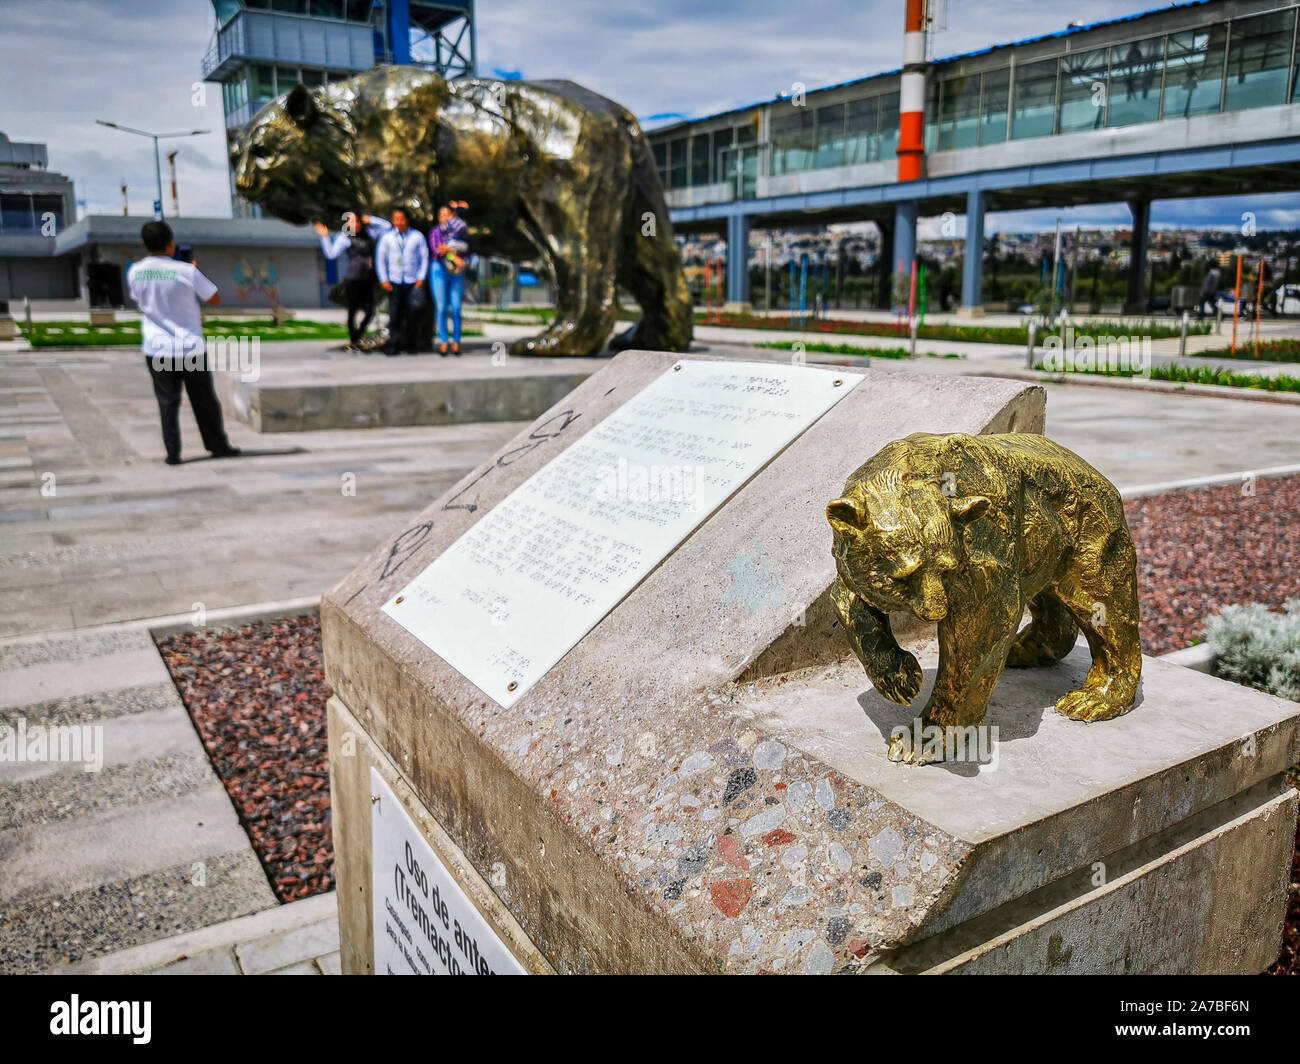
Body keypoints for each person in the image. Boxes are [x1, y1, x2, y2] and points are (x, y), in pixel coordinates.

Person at [127, 221, 240, 466]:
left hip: (157, 348)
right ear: (171, 244)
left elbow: (138, 299)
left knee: (167, 402)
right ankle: (217, 445)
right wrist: (195, 272)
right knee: (205, 401)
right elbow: (215, 297)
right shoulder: (186, 271)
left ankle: (173, 453)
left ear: (144, 244)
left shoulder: (135, 271)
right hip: (190, 348)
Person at [314, 211, 391, 350]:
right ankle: (354, 340)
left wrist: (371, 219)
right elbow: (331, 254)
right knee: (352, 311)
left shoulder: (370, 234)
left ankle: (358, 334)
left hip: (368, 278)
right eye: (350, 222)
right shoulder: (344, 237)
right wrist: (325, 237)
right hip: (353, 278)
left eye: (356, 221)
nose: (354, 225)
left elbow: (387, 226)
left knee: (370, 311)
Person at [375, 207, 428, 355]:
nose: (399, 222)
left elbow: (424, 258)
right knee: (395, 314)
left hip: (412, 281)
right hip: (394, 281)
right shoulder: (387, 237)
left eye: (401, 219)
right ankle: (394, 344)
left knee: (412, 314)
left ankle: (411, 345)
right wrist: (383, 279)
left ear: (407, 220)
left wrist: (421, 277)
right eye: (396, 219)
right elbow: (380, 259)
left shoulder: (417, 236)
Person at [429, 201, 471, 356]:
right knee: (441, 307)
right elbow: (438, 250)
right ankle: (444, 341)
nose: (444, 218)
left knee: (456, 307)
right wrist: (454, 255)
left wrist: (460, 260)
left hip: (457, 272)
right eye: (442, 215)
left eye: (447, 215)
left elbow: (466, 251)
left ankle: (457, 341)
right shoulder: (436, 232)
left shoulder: (461, 231)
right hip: (439, 270)